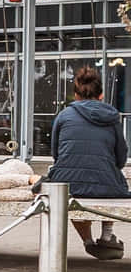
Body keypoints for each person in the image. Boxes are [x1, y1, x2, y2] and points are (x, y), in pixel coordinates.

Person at [45, 64, 130, 259]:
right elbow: (121, 156)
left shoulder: (64, 115)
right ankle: (107, 236)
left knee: (68, 193)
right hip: (107, 186)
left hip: (68, 185)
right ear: (101, 95)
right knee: (114, 180)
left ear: (76, 95)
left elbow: (56, 153)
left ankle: (88, 242)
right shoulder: (113, 117)